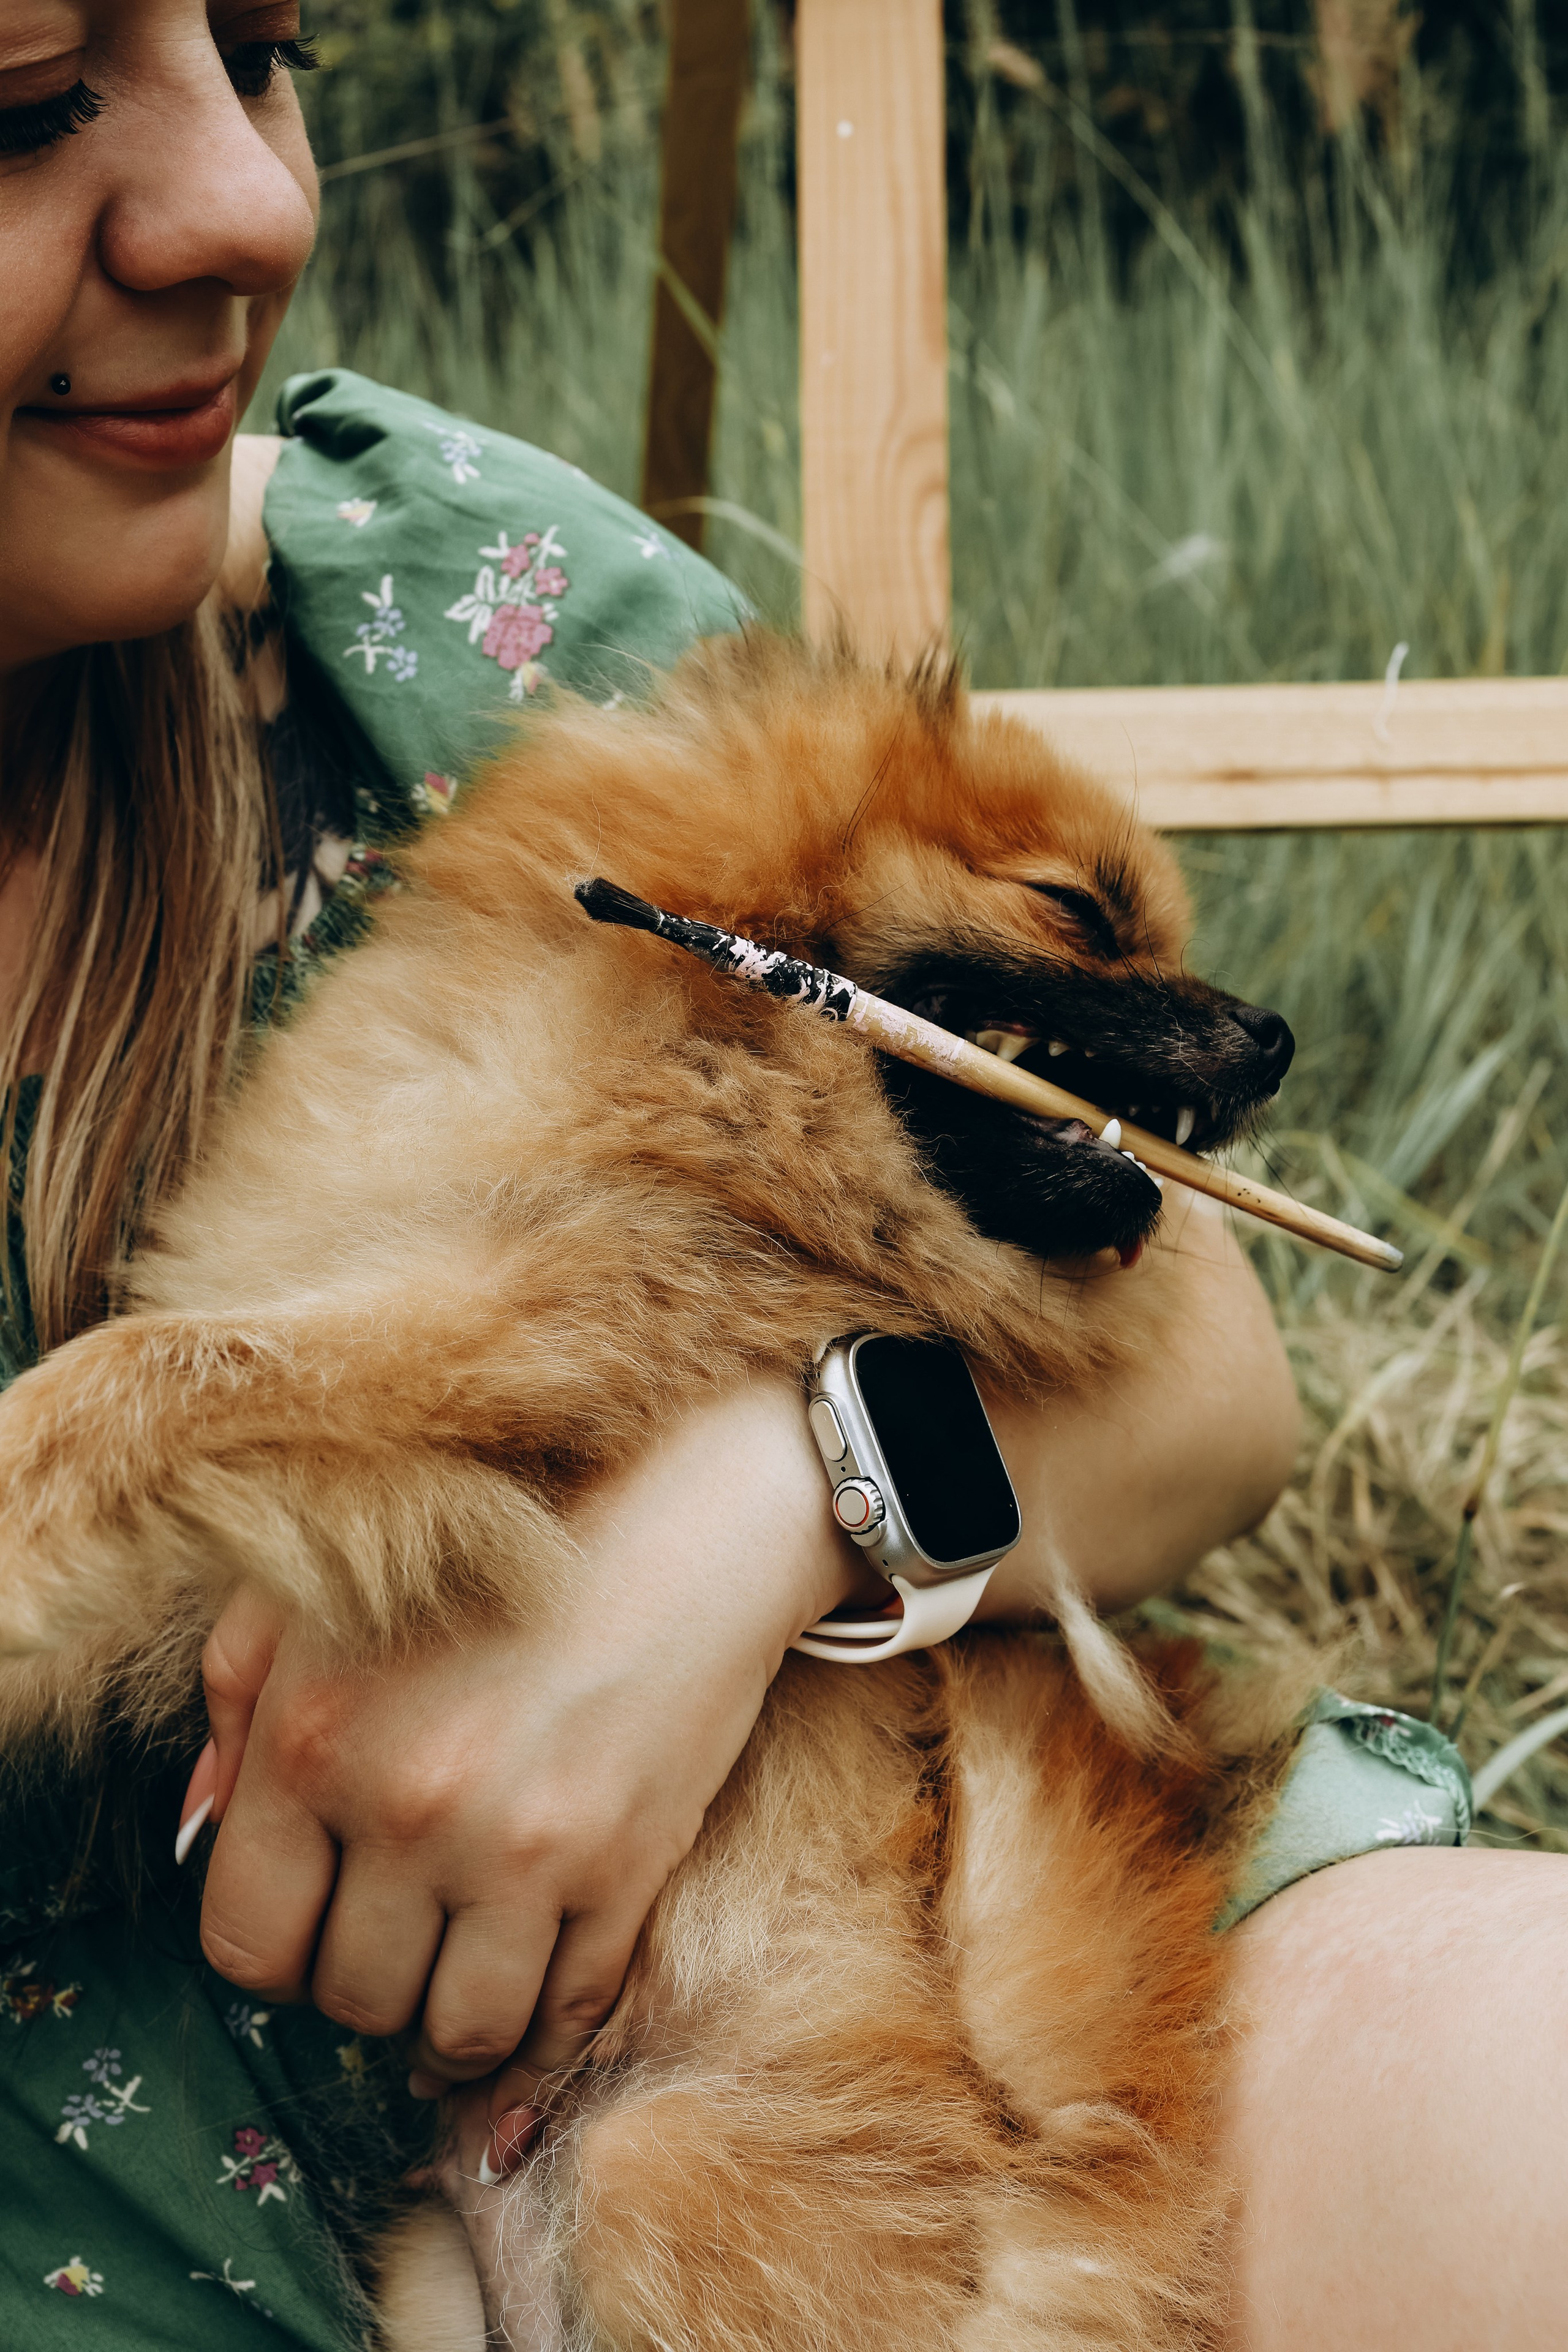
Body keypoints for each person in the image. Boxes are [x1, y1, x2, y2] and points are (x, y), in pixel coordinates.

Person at [0, 7, 1561, 2346]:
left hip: (987, 1945)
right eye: (24, 100)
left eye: (271, 45)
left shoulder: (452, 609)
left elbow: (1206, 1374)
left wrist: (747, 1525)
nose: (248, 202)